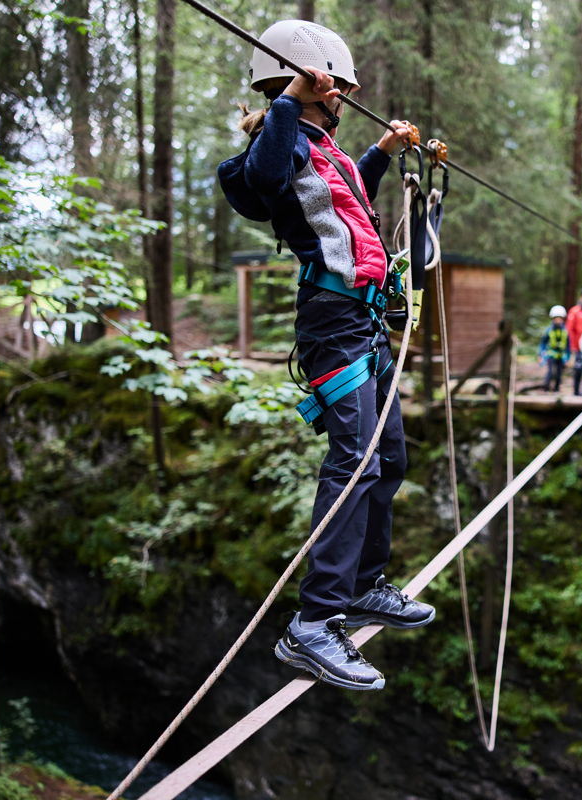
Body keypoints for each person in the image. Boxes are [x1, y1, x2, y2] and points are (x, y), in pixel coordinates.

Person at [217, 20, 433, 692]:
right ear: (313, 84)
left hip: (362, 324)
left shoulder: (325, 150)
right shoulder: (271, 151)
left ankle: (364, 584)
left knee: (388, 455)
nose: (343, 96)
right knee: (355, 462)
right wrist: (287, 99)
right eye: (335, 86)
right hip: (331, 324)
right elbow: (267, 178)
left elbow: (348, 203)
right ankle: (313, 623)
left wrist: (383, 149)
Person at [538, 304, 570, 392]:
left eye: (560, 318)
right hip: (551, 354)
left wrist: (567, 358)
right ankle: (546, 387)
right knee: (550, 371)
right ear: (553, 318)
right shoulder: (549, 330)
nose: (558, 320)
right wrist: (540, 354)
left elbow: (568, 346)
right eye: (556, 318)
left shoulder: (565, 331)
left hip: (561, 356)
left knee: (559, 373)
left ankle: (556, 389)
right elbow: (543, 343)